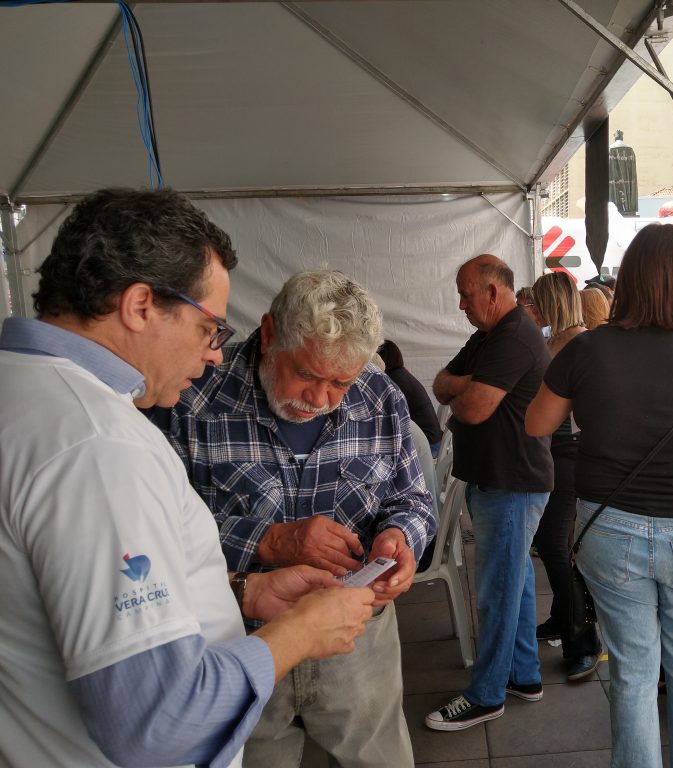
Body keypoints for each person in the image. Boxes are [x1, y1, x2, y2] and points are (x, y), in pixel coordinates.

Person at [0, 189, 374, 768]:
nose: (215, 357)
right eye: (210, 330)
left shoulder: (25, 392)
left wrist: (240, 592)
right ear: (141, 305)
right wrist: (300, 632)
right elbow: (161, 721)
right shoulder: (100, 446)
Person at [155, 271, 433, 768]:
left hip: (358, 635)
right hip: (245, 634)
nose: (321, 398)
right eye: (307, 374)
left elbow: (410, 498)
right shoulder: (193, 398)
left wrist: (398, 537)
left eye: (339, 383)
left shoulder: (379, 396)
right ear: (268, 334)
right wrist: (266, 542)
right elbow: (159, 531)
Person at [526, 223, 673, 768]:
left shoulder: (584, 348)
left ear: (629, 278)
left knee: (633, 672)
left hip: (609, 530)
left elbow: (537, 424)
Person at [427, 254, 553, 731]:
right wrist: (468, 385)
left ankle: (487, 693)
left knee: (498, 591)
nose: (460, 304)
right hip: (499, 479)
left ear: (494, 292)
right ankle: (523, 674)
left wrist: (470, 390)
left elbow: (475, 409)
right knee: (513, 583)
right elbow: (441, 385)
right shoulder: (488, 337)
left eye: (466, 294)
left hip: (512, 481)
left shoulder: (515, 336)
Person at [529, 271, 602, 681]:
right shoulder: (552, 339)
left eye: (537, 301)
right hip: (549, 451)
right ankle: (562, 618)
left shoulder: (580, 342)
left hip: (571, 453)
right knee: (550, 542)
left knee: (557, 546)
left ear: (550, 302)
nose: (532, 309)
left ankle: (585, 641)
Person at [378, 338, 443, 453]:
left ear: (382, 359)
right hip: (434, 440)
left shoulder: (393, 380)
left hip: (428, 446)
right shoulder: (400, 375)